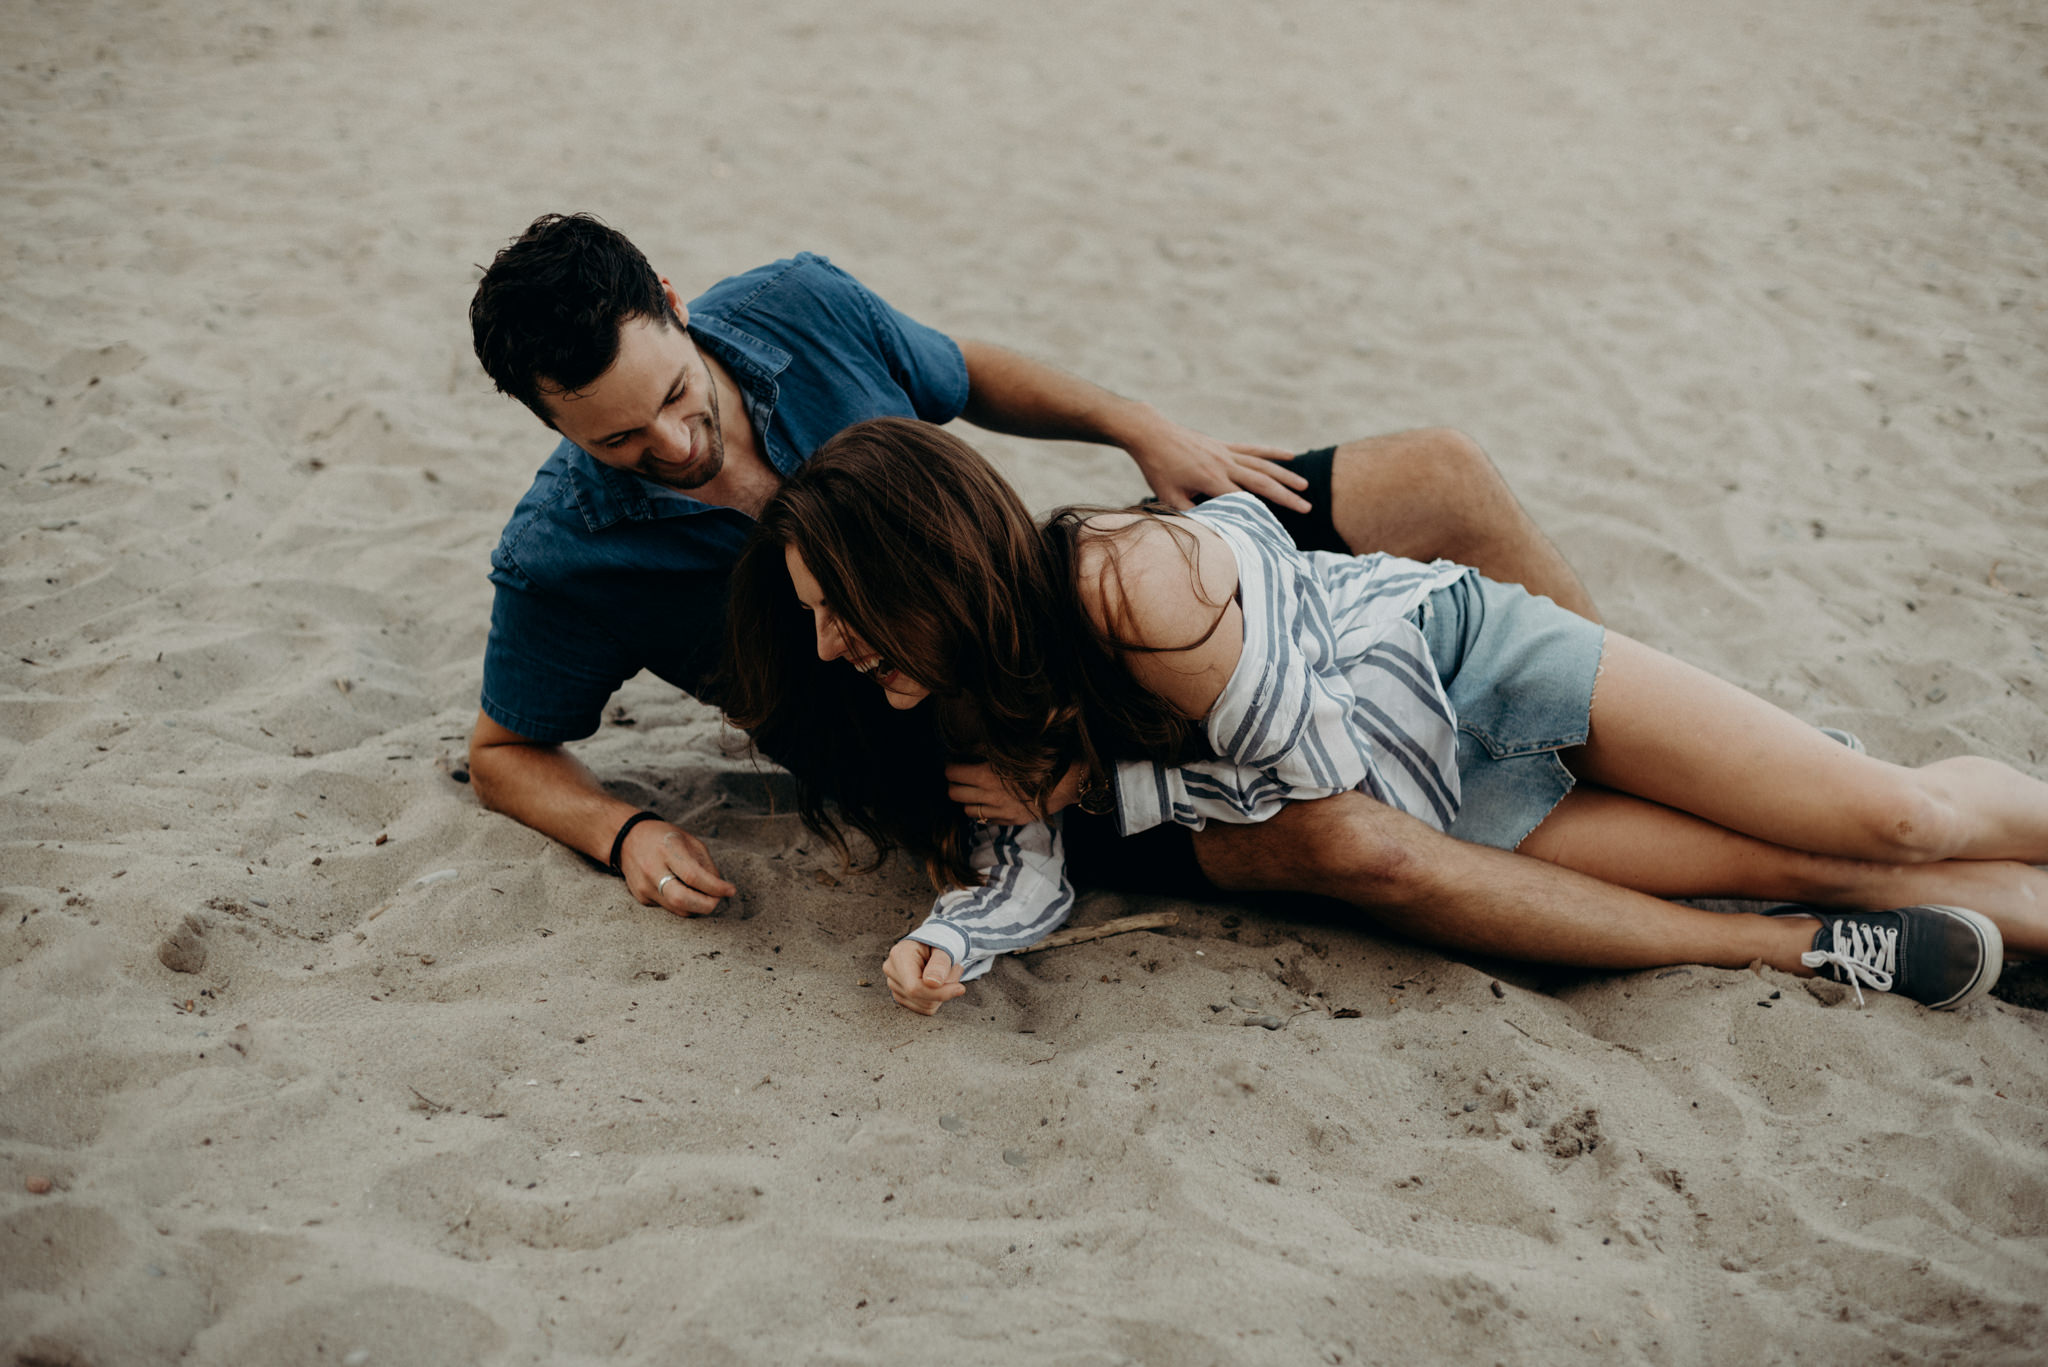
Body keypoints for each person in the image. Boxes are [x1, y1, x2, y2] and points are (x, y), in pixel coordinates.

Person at [464, 211, 1597, 922]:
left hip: (1053, 602)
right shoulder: (561, 558)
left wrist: (1132, 424)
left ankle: (1617, 716)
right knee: (1344, 836)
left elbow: (963, 372)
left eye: (674, 396)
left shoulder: (793, 307)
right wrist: (621, 830)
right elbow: (506, 751)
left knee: (1442, 475)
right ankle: (1608, 857)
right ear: (547, 421)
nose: (670, 446)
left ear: (673, 304)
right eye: (617, 439)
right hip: (992, 772)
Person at [721, 418, 2048, 1015]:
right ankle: (1841, 932)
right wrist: (952, 938)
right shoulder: (968, 691)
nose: (833, 646)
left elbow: (1329, 774)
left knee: (1900, 811)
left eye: (843, 609)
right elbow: (1024, 861)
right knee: (1782, 863)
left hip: (1477, 667)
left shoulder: (1136, 585)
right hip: (1461, 801)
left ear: (921, 574)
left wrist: (1097, 787)